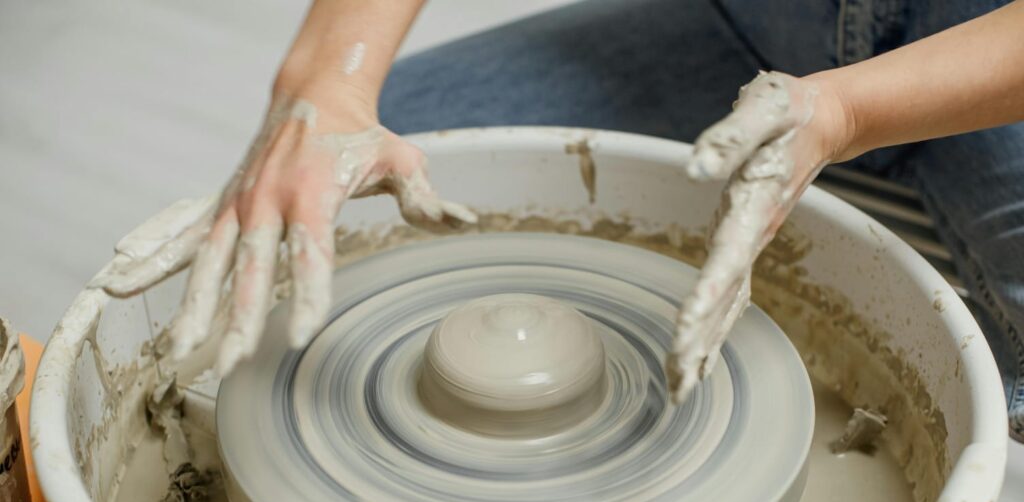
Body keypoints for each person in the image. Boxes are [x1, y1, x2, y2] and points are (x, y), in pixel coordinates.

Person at [95, 0, 1024, 439]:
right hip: (770, 23)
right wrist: (322, 83)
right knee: (398, 153)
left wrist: (845, 114)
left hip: (997, 57)